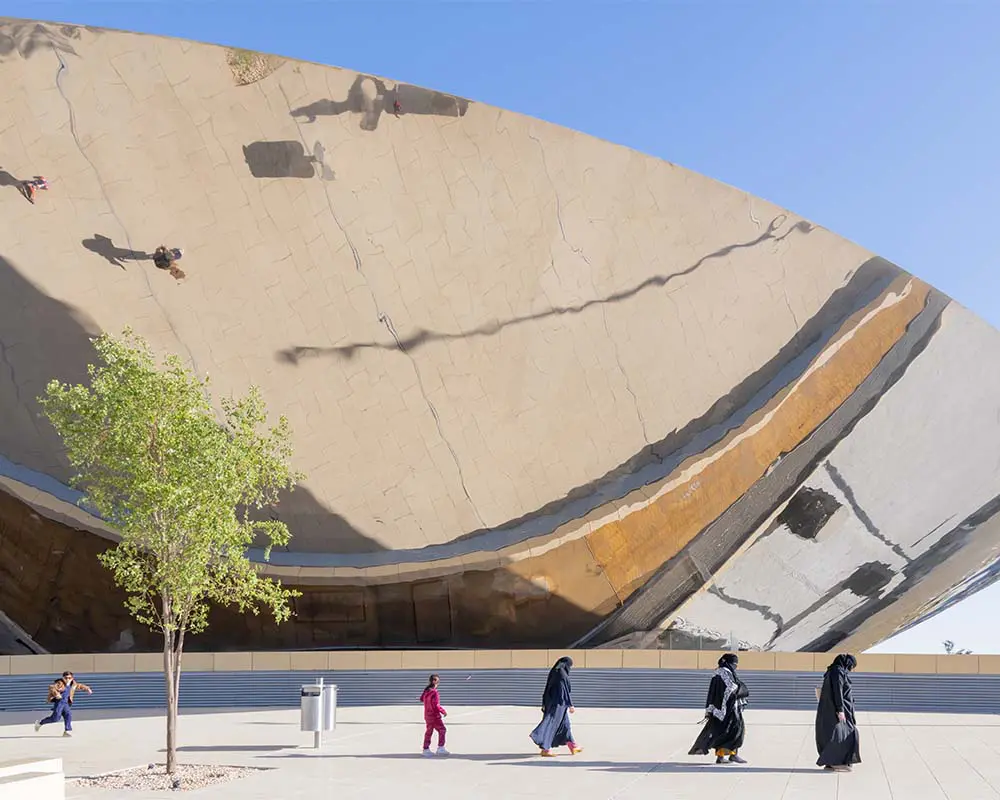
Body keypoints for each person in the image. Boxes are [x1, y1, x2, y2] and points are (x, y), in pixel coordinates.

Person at [689, 653, 750, 764]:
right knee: (732, 731)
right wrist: (741, 688)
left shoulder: (722, 672)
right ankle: (728, 755)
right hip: (727, 709)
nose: (735, 665)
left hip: (723, 709)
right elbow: (731, 687)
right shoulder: (723, 673)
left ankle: (726, 755)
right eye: (734, 663)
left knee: (727, 731)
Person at [816, 653, 861, 772]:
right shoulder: (838, 672)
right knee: (847, 734)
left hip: (835, 709)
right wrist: (840, 710)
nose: (851, 669)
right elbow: (838, 690)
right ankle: (838, 762)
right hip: (840, 710)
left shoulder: (833, 671)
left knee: (837, 735)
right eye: (851, 666)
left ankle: (832, 762)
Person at [529, 656, 582, 757]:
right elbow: (564, 690)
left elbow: (547, 688)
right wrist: (570, 704)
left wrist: (544, 703)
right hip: (558, 703)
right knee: (552, 724)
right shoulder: (561, 673)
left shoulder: (554, 671)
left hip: (552, 702)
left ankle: (573, 746)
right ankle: (545, 748)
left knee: (565, 725)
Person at [420, 674, 449, 756]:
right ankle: (441, 748)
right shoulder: (434, 692)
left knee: (429, 731)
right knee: (442, 730)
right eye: (437, 681)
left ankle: (426, 749)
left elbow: (421, 699)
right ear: (434, 681)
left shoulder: (426, 691)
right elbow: (436, 705)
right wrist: (443, 711)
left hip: (427, 715)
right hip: (434, 716)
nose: (438, 682)